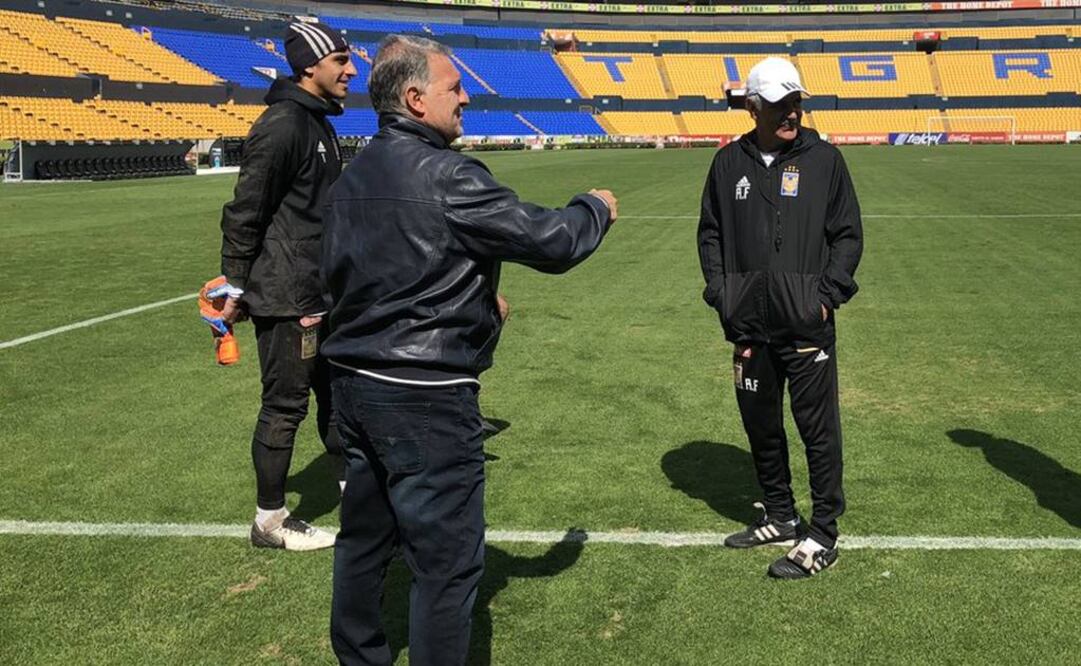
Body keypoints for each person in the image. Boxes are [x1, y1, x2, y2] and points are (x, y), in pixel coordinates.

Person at [322, 34, 617, 665]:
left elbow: (362, 278)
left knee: (364, 540)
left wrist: (475, 302)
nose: (466, 98)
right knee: (447, 565)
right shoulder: (448, 174)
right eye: (454, 88)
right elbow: (552, 241)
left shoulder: (353, 175)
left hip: (352, 383)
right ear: (414, 98)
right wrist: (594, 207)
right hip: (425, 394)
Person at [697, 57, 863, 579]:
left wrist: (826, 295)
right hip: (748, 323)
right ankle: (781, 515)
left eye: (796, 102)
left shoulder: (825, 161)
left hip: (806, 323)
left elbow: (848, 235)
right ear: (753, 107)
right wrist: (723, 294)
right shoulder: (727, 165)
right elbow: (711, 234)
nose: (791, 112)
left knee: (818, 430)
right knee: (761, 424)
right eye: (779, 104)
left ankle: (823, 532)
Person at [218, 21, 357, 551]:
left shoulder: (315, 121)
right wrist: (234, 285)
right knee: (285, 406)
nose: (350, 69)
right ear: (309, 67)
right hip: (287, 294)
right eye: (340, 60)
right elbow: (245, 210)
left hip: (316, 288)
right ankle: (269, 522)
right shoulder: (282, 126)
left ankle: (358, 495)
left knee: (337, 395)